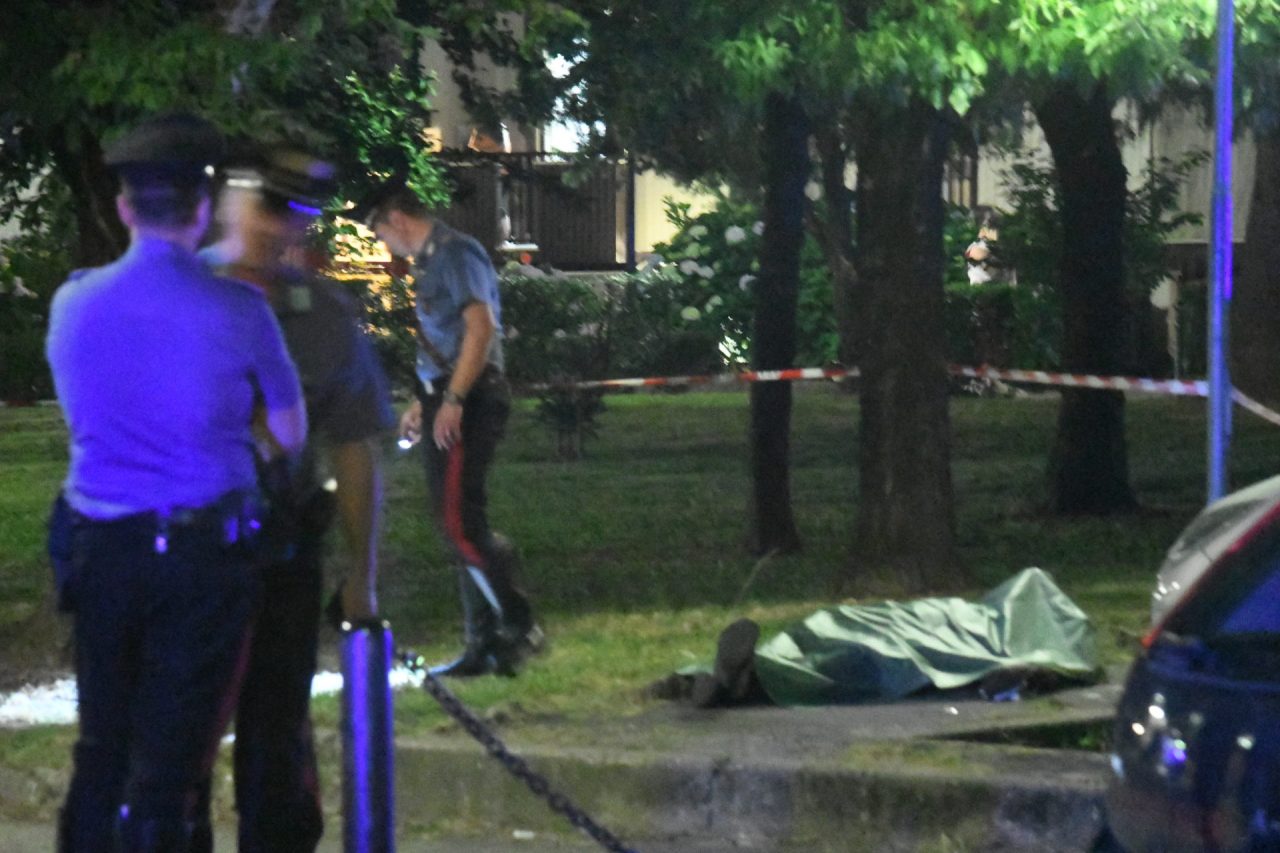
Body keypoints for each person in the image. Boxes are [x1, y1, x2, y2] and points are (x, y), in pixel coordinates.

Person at [45, 113, 306, 852]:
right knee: (171, 759)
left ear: (124, 207)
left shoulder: (73, 303)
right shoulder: (241, 310)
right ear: (201, 209)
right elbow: (290, 432)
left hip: (101, 550)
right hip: (201, 557)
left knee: (102, 745)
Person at [203, 147, 395, 852]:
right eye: (266, 206)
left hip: (282, 551)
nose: (276, 228)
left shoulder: (323, 315)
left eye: (295, 214)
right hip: (185, 553)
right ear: (228, 202)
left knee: (278, 737)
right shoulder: (177, 295)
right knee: (175, 743)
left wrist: (360, 577)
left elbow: (354, 445)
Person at [353, 177, 541, 677]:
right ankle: (484, 643)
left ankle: (518, 624)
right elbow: (451, 340)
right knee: (456, 520)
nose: (382, 243)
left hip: (471, 399)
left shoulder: (457, 254)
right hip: (451, 395)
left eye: (379, 231)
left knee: (459, 522)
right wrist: (426, 400)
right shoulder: (433, 261)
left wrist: (453, 399)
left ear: (396, 219)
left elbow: (480, 330)